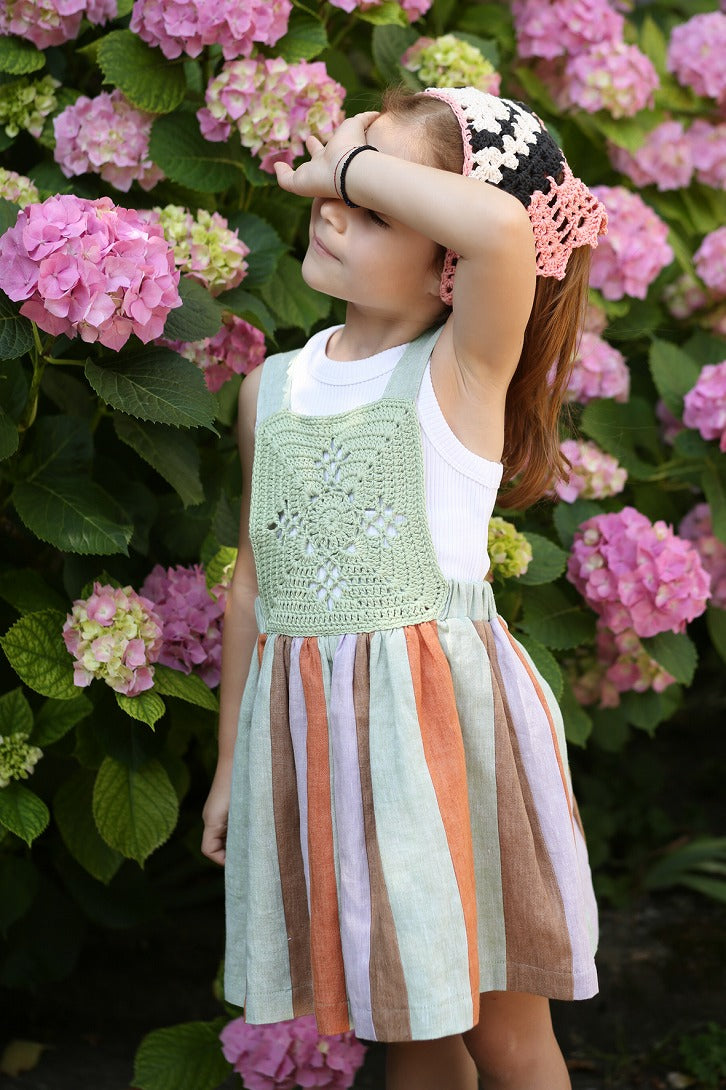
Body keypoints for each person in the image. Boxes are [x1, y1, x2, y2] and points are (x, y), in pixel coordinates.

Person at [202, 85, 608, 1090]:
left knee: (506, 1037)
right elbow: (253, 587)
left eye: (377, 205)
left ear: (447, 265)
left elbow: (503, 228)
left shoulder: (459, 373)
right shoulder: (273, 389)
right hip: (330, 751)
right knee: (409, 1031)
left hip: (448, 741)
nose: (334, 208)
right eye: (341, 189)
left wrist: (343, 159)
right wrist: (229, 765)